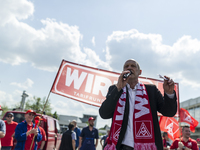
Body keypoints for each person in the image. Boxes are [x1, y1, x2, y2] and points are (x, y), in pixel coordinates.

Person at [99, 59, 177, 150]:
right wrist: (118, 88)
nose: (129, 68)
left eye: (133, 66)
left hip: (147, 147)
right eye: (126, 66)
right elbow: (104, 114)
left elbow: (169, 112)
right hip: (121, 146)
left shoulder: (151, 90)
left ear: (140, 72)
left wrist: (169, 93)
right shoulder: (115, 89)